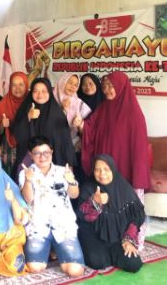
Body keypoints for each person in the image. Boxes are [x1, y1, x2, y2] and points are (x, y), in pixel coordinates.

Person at [77, 71, 150, 248]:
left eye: (111, 86)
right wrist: (81, 125)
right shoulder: (104, 108)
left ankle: (133, 240)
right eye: (105, 86)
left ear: (121, 87)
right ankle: (112, 238)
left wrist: (136, 172)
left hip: (126, 167)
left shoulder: (134, 114)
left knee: (129, 205)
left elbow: (139, 149)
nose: (107, 90)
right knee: (107, 203)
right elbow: (91, 128)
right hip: (106, 169)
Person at [19, 137, 85, 277]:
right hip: (38, 227)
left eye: (46, 152)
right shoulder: (25, 173)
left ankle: (55, 248)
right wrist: (28, 181)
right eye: (37, 153)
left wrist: (71, 181)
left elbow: (74, 195)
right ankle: (50, 248)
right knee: (35, 268)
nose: (42, 157)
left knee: (75, 271)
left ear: (52, 152)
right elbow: (28, 199)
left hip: (63, 226)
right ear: (31, 155)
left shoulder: (63, 171)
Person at [77, 155, 145, 273]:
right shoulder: (88, 188)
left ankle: (111, 254)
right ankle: (102, 254)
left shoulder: (124, 187)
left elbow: (137, 215)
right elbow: (81, 216)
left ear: (113, 169)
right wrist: (95, 202)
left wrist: (129, 240)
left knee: (134, 264)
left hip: (118, 238)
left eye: (106, 169)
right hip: (93, 236)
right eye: (97, 169)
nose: (102, 173)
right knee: (97, 262)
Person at [11, 78, 75, 177]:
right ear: (31, 93)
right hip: (29, 164)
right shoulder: (26, 109)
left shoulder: (57, 114)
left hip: (54, 165)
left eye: (44, 91)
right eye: (36, 91)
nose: (40, 94)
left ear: (50, 92)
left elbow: (65, 143)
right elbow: (17, 134)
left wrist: (69, 166)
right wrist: (27, 117)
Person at [0, 72, 28, 175]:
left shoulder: (31, 102)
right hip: (9, 149)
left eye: (21, 84)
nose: (17, 88)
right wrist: (2, 125)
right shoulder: (2, 104)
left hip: (28, 145)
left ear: (26, 85)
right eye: (14, 85)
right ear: (10, 86)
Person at [53, 73, 91, 150]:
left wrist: (80, 124)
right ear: (63, 82)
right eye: (70, 83)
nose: (73, 87)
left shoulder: (79, 104)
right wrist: (62, 109)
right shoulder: (50, 100)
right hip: (51, 145)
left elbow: (90, 127)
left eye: (76, 85)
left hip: (72, 146)